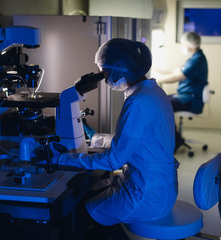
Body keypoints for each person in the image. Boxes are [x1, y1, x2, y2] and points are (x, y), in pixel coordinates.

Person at [53, 38, 179, 239]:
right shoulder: (153, 92)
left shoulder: (138, 102)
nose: (105, 79)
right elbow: (136, 142)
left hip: (145, 193)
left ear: (121, 69)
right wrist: (95, 138)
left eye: (105, 72)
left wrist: (61, 159)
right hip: (157, 183)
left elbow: (114, 160)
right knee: (89, 196)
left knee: (76, 215)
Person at [155, 32, 208, 152]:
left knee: (164, 105)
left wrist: (156, 80)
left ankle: (176, 141)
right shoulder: (195, 58)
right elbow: (176, 72)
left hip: (192, 99)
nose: (182, 47)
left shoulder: (197, 61)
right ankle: (174, 139)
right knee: (160, 100)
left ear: (190, 45)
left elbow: (178, 77)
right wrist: (158, 70)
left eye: (183, 44)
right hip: (186, 95)